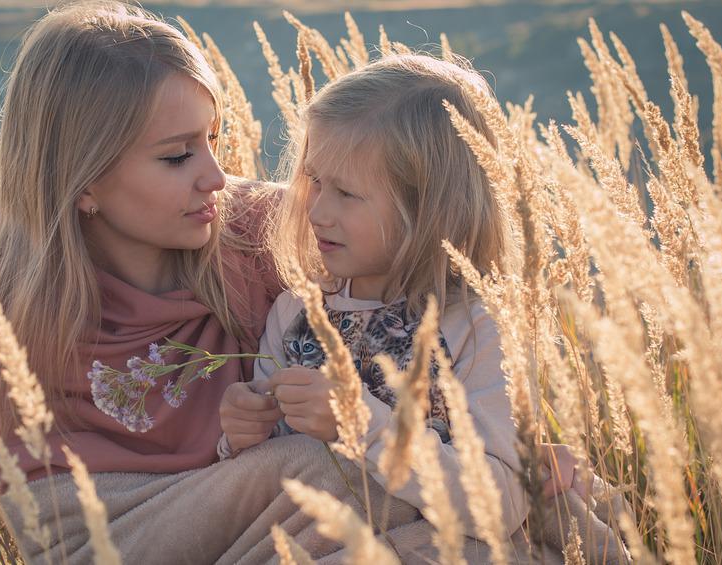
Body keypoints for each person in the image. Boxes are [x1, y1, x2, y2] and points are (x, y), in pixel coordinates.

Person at [0, 3, 438, 564]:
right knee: (320, 476)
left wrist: (503, 450)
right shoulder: (12, 328)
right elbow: (59, 534)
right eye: (178, 156)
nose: (214, 176)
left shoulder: (264, 233)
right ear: (81, 181)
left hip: (290, 525)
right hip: (116, 536)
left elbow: (433, 309)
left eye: (213, 139)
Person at [218, 54, 628, 563]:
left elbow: (499, 503)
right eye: (314, 181)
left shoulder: (477, 329)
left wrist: (357, 420)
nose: (317, 210)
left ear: (429, 207)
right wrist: (238, 438)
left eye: (347, 193)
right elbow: (271, 477)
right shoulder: (295, 315)